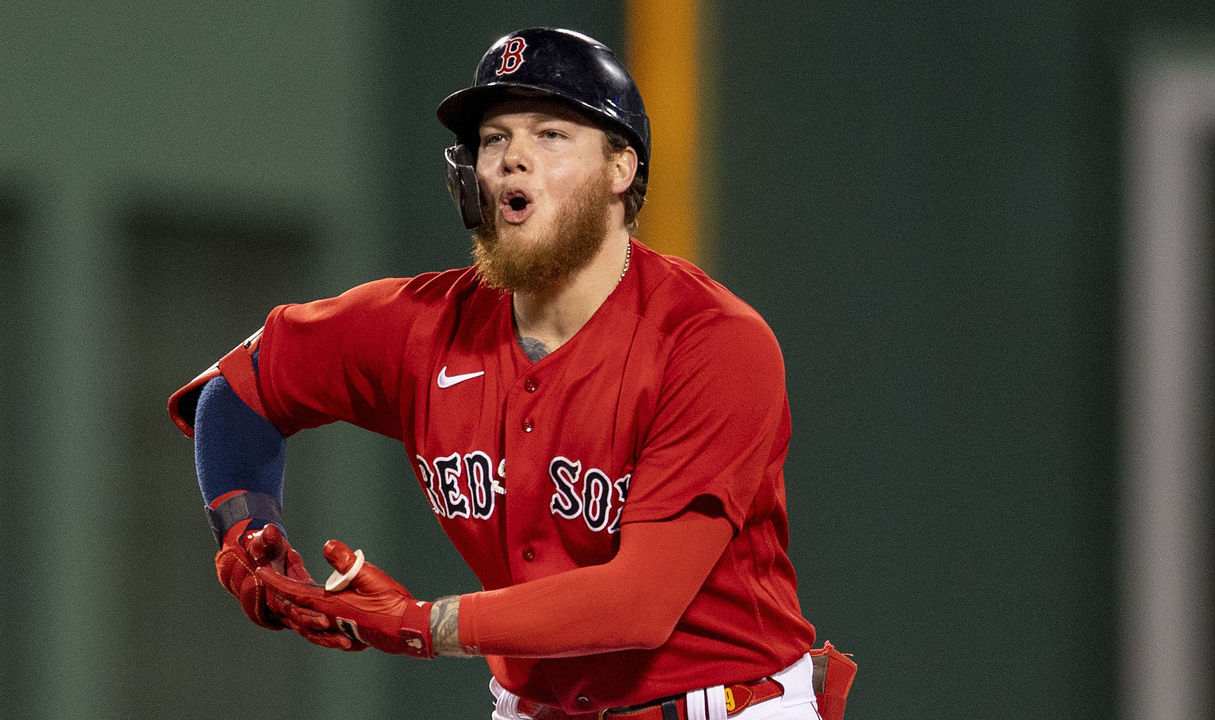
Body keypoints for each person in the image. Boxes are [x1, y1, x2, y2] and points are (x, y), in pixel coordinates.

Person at [168, 27, 854, 720]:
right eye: (494, 139)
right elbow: (237, 391)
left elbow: (641, 603)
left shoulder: (710, 342)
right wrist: (247, 533)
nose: (512, 159)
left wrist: (424, 624)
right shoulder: (423, 328)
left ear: (621, 170)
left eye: (551, 134)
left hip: (724, 705)